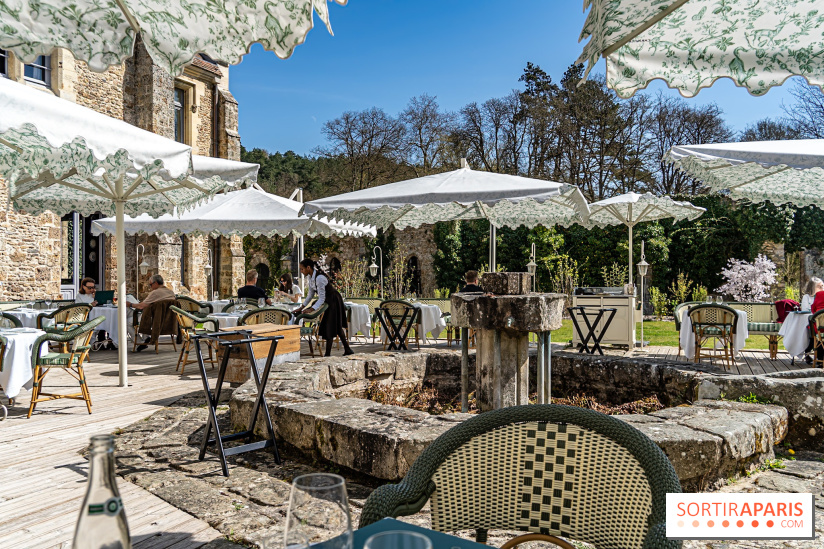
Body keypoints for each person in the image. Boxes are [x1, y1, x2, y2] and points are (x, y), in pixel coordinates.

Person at [294, 258, 353, 357]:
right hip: (328, 301)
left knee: (330, 325)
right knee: (335, 326)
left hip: (334, 300)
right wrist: (301, 307)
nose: (301, 271)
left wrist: (311, 309)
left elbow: (321, 298)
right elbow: (310, 295)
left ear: (308, 268)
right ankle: (347, 349)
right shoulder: (311, 278)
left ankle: (328, 354)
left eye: (302, 269)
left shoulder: (319, 278)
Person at [128, 274, 176, 352]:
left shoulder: (155, 293)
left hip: (156, 321)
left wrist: (130, 304)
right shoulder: (171, 292)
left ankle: (141, 342)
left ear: (156, 283)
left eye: (150, 285)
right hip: (169, 321)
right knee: (145, 315)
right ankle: (146, 337)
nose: (150, 287)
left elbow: (141, 306)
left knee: (128, 322)